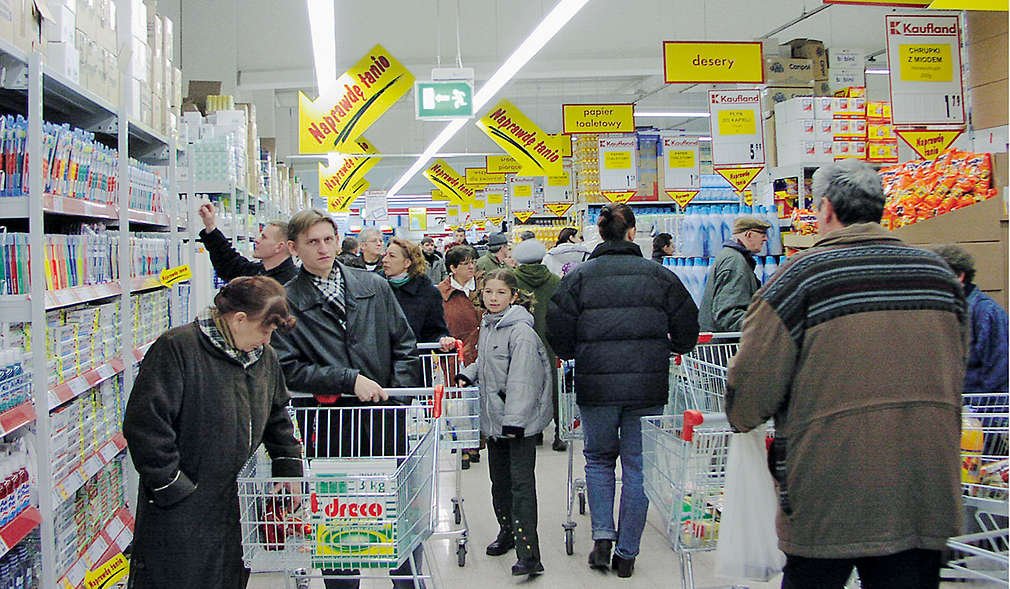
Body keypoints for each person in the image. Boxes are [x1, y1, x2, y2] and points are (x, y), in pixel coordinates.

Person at [725, 160, 968, 589]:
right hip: (925, 486)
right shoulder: (940, 278)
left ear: (826, 209)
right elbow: (956, 366)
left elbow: (750, 395)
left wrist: (741, 416)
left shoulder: (797, 281)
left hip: (828, 490)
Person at [269, 209, 421, 589]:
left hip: (384, 422)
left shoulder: (373, 286)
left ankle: (406, 582)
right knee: (339, 520)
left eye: (328, 239)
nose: (323, 248)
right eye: (312, 242)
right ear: (293, 248)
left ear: (338, 240)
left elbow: (404, 344)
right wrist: (348, 379)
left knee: (395, 512)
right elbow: (286, 368)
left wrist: (396, 403)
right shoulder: (286, 301)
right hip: (328, 426)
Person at [546, 203, 699, 578]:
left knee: (598, 459)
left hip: (596, 385)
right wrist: (673, 346)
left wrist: (574, 352)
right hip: (647, 387)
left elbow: (558, 328)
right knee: (638, 469)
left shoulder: (579, 277)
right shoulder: (659, 276)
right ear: (632, 233)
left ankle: (601, 536)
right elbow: (687, 327)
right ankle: (627, 553)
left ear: (600, 235)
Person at [123, 276, 302, 589]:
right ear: (239, 319)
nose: (267, 340)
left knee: (228, 577)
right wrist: (172, 486)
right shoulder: (178, 348)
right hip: (182, 506)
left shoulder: (263, 359)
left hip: (236, 505)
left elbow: (278, 416)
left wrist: (288, 467)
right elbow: (146, 424)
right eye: (264, 329)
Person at [457, 269, 553, 578]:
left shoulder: (520, 332)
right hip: (495, 421)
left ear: (513, 296)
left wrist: (514, 423)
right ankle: (507, 532)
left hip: (517, 426)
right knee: (499, 482)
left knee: (521, 486)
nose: (493, 298)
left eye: (500, 293)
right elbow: (487, 364)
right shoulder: (489, 326)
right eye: (488, 292)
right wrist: (468, 373)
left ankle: (529, 554)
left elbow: (524, 381)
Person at [931, 244, 1008, 395]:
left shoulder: (986, 312)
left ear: (960, 276)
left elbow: (999, 370)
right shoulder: (939, 308)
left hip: (976, 406)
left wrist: (984, 413)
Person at [512, 238, 566, 452]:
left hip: (520, 341)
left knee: (525, 385)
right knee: (553, 385)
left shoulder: (512, 281)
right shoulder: (555, 281)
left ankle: (533, 432)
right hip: (550, 340)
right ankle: (559, 433)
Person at [697, 215, 771, 332]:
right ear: (749, 235)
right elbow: (728, 315)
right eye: (762, 235)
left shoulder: (732, 257)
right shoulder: (735, 262)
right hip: (724, 345)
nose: (766, 239)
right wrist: (765, 326)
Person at [382, 237, 455, 350]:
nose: (384, 260)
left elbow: (435, 330)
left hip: (414, 362)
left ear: (407, 263)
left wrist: (442, 339)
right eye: (385, 254)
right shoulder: (375, 288)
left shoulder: (428, 293)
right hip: (379, 363)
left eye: (391, 256)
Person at [197, 202, 297, 284]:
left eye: (264, 237)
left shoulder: (292, 284)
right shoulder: (258, 272)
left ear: (279, 247)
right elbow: (230, 264)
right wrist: (210, 226)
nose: (256, 240)